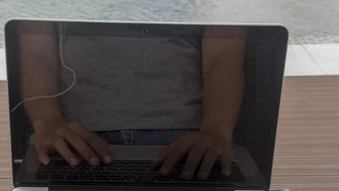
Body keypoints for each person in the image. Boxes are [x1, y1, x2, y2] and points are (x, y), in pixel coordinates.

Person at [19, 24, 246, 180]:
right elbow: (36, 52)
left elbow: (224, 55)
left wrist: (217, 130)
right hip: (74, 137)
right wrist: (46, 121)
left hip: (188, 139)